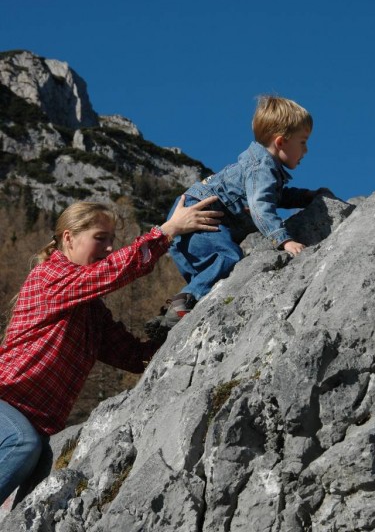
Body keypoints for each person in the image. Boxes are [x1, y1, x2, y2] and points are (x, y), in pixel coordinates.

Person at [0, 196, 223, 506]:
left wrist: (177, 330)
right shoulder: (50, 277)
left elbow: (132, 356)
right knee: (22, 444)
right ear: (69, 238)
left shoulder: (91, 311)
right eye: (100, 238)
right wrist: (168, 231)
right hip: (6, 401)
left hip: (39, 424)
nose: (108, 247)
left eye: (112, 240)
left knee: (36, 490)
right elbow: (110, 272)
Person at [145, 95, 330, 339]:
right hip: (201, 219)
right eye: (303, 142)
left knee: (210, 280)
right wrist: (284, 240)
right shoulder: (262, 169)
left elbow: (275, 196)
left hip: (193, 222)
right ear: (281, 142)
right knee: (229, 257)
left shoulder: (262, 169)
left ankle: (174, 317)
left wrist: (306, 196)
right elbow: (261, 204)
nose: (306, 150)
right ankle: (181, 308)